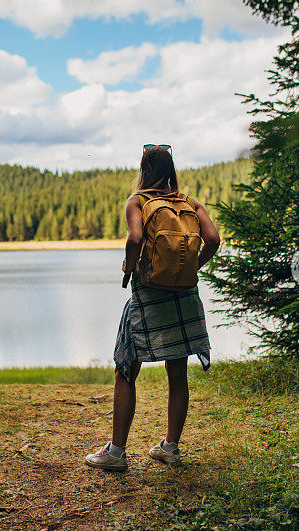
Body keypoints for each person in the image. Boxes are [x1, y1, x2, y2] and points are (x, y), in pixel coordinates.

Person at [84, 144, 221, 472]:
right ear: (172, 170)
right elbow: (213, 238)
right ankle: (170, 448)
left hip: (149, 295)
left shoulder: (139, 201)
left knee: (126, 368)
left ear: (144, 170)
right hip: (185, 295)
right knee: (178, 371)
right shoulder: (190, 203)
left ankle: (116, 453)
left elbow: (134, 238)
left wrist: (131, 268)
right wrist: (193, 267)